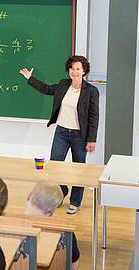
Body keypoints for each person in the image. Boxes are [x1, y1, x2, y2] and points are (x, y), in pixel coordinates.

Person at [19, 56, 99, 214]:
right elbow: (47, 89)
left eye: (78, 69)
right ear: (68, 70)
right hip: (61, 132)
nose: (74, 71)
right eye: (72, 68)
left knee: (78, 169)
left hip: (80, 135)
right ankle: (61, 192)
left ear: (84, 71)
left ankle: (75, 201)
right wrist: (30, 78)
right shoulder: (63, 84)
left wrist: (92, 139)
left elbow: (93, 116)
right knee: (55, 166)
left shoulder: (91, 91)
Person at [26, 181, 80, 270]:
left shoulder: (12, 224)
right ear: (53, 210)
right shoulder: (66, 232)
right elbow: (74, 263)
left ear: (28, 196)